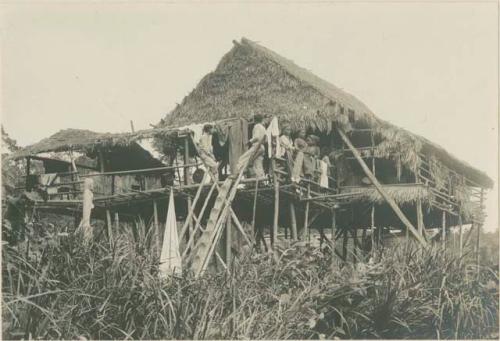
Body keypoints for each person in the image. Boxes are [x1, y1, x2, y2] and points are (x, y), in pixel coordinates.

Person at [248, 113, 267, 178]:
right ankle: (262, 179)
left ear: (255, 120)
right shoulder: (263, 128)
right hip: (262, 146)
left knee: (255, 164)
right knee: (259, 163)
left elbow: (256, 137)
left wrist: (249, 141)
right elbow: (266, 140)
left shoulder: (256, 126)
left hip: (257, 147)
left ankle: (258, 181)